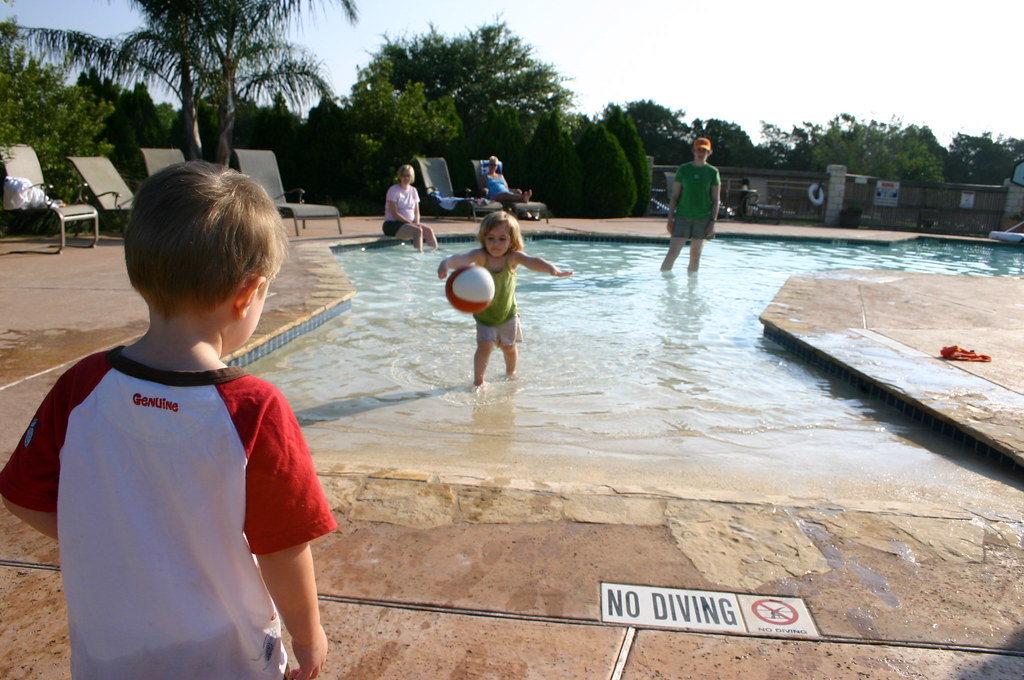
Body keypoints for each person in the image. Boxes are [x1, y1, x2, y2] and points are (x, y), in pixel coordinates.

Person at [0, 161, 338, 680]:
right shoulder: (251, 409)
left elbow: (23, 495)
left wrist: (119, 543)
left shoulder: (84, 385)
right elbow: (284, 548)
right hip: (226, 658)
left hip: (110, 653)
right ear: (249, 292)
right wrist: (309, 635)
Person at [438, 211, 572, 386]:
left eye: (502, 239)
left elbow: (532, 261)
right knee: (484, 346)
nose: (495, 244)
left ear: (512, 241)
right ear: (483, 238)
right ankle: (479, 382)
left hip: (508, 314)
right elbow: (462, 259)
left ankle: (511, 373)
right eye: (491, 238)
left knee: (509, 347)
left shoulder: (512, 258)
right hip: (485, 315)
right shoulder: (481, 256)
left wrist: (551, 268)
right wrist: (446, 263)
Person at [661, 137, 721, 275]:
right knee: (673, 252)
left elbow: (716, 199)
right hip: (683, 216)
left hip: (703, 218)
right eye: (699, 149)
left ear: (709, 153)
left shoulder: (712, 172)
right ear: (694, 151)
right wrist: (670, 219)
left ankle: (691, 289)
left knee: (695, 255)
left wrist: (712, 222)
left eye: (704, 150)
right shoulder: (684, 169)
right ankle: (664, 285)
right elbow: (675, 196)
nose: (701, 153)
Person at [382, 164, 437, 251]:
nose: (406, 178)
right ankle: (419, 255)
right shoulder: (393, 190)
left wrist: (417, 222)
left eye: (408, 176)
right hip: (392, 224)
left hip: (410, 224)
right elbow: (395, 214)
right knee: (417, 231)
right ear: (399, 176)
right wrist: (411, 224)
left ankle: (434, 254)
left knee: (428, 230)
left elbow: (416, 211)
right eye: (404, 175)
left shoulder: (413, 190)